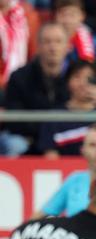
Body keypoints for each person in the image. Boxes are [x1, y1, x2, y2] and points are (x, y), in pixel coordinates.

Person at [2, 22, 69, 156]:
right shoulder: (19, 77)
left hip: (67, 136)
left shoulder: (78, 76)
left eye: (58, 41)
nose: (53, 47)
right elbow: (15, 120)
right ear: (38, 46)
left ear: (68, 46)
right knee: (14, 144)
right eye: (47, 42)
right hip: (29, 137)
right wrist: (46, 133)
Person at [34, 60, 96, 157]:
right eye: (77, 77)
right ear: (68, 82)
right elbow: (50, 156)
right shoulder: (54, 117)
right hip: (66, 170)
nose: (83, 83)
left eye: (89, 77)